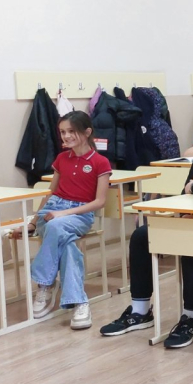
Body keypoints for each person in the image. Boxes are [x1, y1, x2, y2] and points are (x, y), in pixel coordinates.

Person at [100, 107, 193, 347]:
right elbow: (185, 190)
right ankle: (140, 310)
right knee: (141, 236)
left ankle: (192, 318)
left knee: (191, 240)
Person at [27, 111, 111, 330]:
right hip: (52, 211)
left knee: (56, 226)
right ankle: (79, 302)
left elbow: (100, 202)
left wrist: (64, 214)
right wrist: (34, 221)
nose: (66, 136)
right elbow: (50, 193)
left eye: (71, 131)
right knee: (68, 246)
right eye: (62, 132)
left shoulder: (100, 162)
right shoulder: (61, 158)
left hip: (79, 215)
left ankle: (45, 283)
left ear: (87, 132)